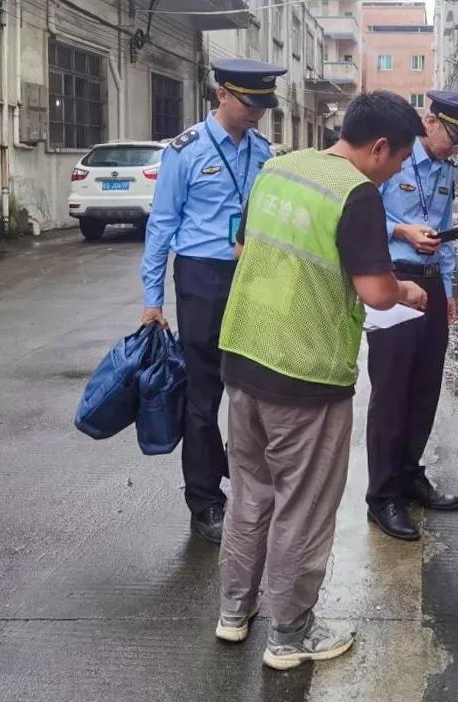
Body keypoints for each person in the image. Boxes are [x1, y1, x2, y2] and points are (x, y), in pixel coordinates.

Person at [215, 91, 428, 670]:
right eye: (400, 158)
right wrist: (407, 290)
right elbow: (376, 293)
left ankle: (234, 612)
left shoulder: (278, 168)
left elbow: (242, 247)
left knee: (250, 495)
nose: (398, 171)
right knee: (303, 508)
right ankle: (290, 634)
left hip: (245, 354)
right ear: (379, 147)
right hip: (305, 374)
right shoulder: (356, 194)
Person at [139, 59, 285, 544]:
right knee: (203, 394)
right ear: (222, 94)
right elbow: (162, 225)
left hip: (254, 274)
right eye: (249, 103)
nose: (257, 114)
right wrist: (152, 298)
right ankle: (204, 500)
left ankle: (250, 485)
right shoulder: (186, 150)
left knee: (255, 388)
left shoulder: (262, 150)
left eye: (263, 105)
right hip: (202, 276)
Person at [365, 90, 458, 541]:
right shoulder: (393, 161)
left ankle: (409, 475)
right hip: (393, 280)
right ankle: (382, 496)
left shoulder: (445, 170)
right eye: (453, 138)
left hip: (431, 283)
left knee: (425, 386)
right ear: (431, 121)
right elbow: (361, 215)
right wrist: (401, 230)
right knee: (390, 392)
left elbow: (443, 232)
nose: (455, 148)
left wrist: (448, 288)